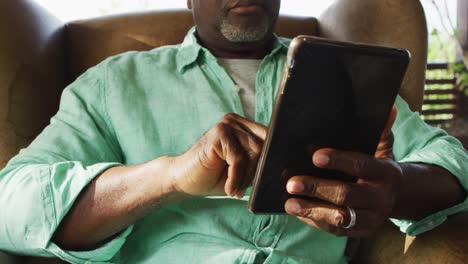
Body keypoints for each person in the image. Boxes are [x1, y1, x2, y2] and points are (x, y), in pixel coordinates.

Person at [1, 0, 467, 263]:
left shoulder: (348, 74)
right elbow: (10, 204)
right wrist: (171, 177)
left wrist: (397, 187)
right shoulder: (112, 84)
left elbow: (453, 162)